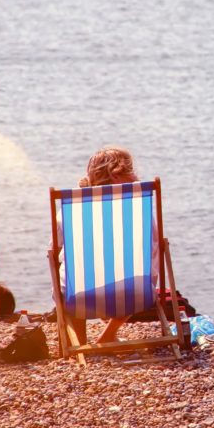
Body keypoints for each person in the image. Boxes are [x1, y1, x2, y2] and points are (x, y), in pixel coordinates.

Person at [55, 147, 147, 344]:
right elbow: (153, 243)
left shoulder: (74, 204)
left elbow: (56, 246)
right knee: (136, 270)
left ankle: (78, 342)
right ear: (123, 174)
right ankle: (108, 334)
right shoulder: (137, 203)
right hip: (133, 292)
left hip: (78, 293)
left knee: (74, 273)